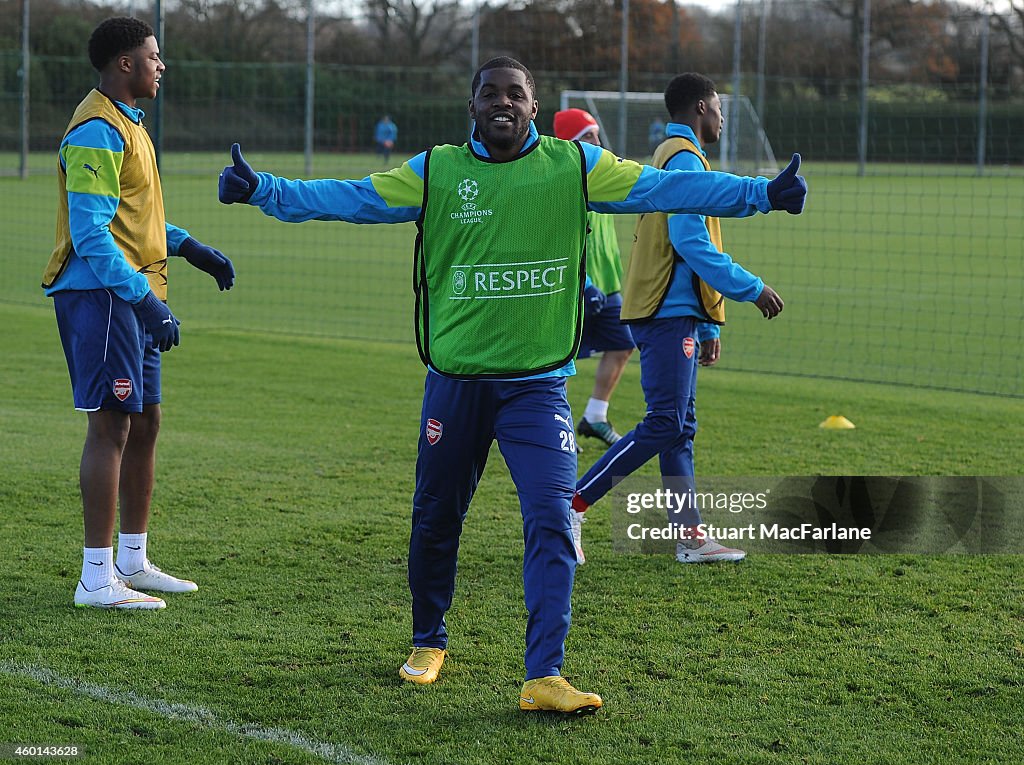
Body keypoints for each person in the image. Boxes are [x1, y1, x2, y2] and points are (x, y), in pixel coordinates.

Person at [218, 57, 805, 714]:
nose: (503, 102)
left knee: (552, 518)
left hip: (537, 388)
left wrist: (760, 194)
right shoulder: (436, 170)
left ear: (534, 107)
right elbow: (349, 197)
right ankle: (427, 640)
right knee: (436, 521)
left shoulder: (574, 166)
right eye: (490, 92)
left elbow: (665, 189)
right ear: (472, 106)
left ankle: (544, 675)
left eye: (516, 93)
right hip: (457, 382)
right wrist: (263, 188)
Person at [43, 17, 235, 611]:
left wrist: (189, 246)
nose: (162, 64)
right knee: (111, 426)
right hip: (103, 295)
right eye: (154, 55)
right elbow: (93, 236)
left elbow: (137, 223)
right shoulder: (97, 130)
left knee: (145, 422)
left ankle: (132, 559)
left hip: (130, 293)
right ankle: (96, 578)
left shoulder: (131, 125)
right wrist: (145, 300)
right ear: (124, 64)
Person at [571, 72, 798, 565]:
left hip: (678, 313)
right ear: (700, 107)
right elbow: (692, 243)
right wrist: (750, 289)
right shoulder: (682, 158)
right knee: (664, 422)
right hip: (665, 312)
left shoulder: (672, 154)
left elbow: (696, 242)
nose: (722, 116)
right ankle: (572, 504)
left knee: (679, 426)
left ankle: (690, 536)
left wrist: (710, 321)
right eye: (719, 107)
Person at [551, 108, 634, 562]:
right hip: (577, 289)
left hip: (611, 286)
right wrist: (581, 281)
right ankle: (555, 424)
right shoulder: (562, 179)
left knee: (623, 344)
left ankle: (595, 415)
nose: (598, 141)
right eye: (589, 135)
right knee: (560, 359)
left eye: (598, 133)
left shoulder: (601, 174)